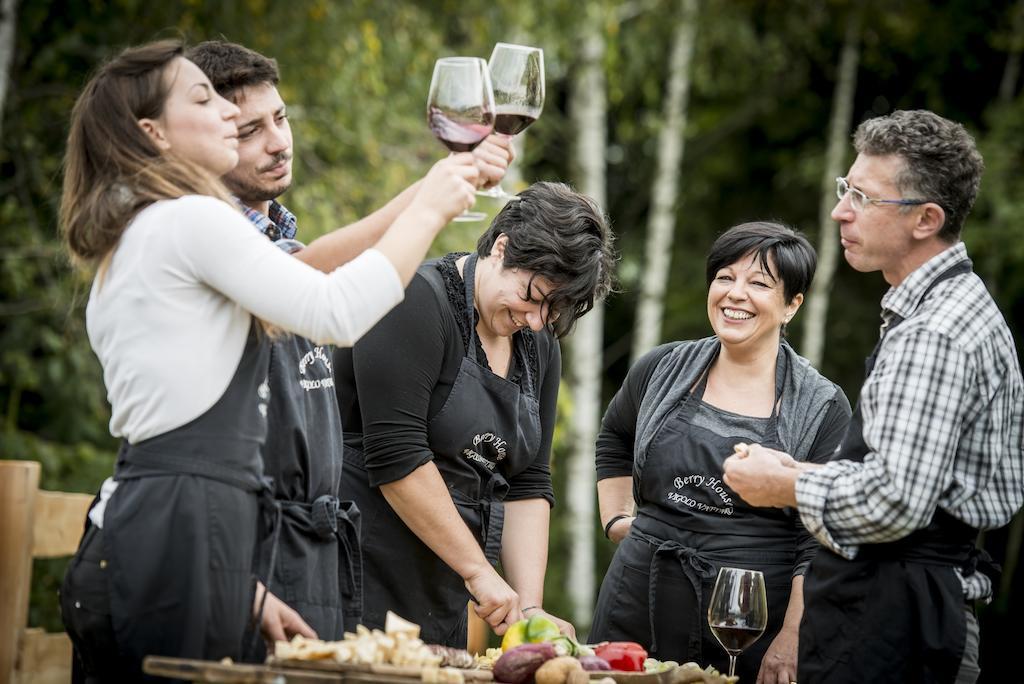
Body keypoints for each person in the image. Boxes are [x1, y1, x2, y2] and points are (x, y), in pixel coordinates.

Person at [57, 40, 479, 681]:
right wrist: (430, 207)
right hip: (181, 522)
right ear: (154, 134)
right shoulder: (190, 220)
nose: (229, 116)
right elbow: (333, 311)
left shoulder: (149, 228)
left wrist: (242, 589)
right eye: (204, 100)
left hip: (172, 526)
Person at [183, 39, 513, 646]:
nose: (278, 141)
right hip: (241, 536)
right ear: (200, 136)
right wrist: (431, 201)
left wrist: (439, 184)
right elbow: (318, 286)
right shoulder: (205, 233)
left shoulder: (268, 232)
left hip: (304, 543)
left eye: (279, 118)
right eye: (250, 130)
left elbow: (305, 265)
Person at [723, 110, 1024, 684]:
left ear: (926, 219)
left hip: (902, 624)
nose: (841, 210)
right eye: (845, 189)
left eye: (863, 196)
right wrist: (805, 471)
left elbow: (896, 501)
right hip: (900, 608)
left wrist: (784, 483)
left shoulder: (934, 331)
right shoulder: (949, 306)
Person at [334, 181, 616, 646]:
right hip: (357, 566)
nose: (537, 320)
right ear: (502, 248)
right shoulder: (413, 300)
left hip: (443, 588)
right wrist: (479, 572)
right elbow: (397, 456)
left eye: (554, 309)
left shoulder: (538, 344)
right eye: (534, 295)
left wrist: (529, 611)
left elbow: (528, 482)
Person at [590, 222, 851, 684]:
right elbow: (614, 436)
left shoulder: (822, 405)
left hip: (748, 623)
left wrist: (793, 633)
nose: (735, 294)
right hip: (636, 600)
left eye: (759, 284)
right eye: (725, 277)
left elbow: (821, 533)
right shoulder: (662, 368)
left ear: (793, 305)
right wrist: (616, 521)